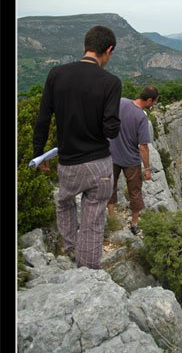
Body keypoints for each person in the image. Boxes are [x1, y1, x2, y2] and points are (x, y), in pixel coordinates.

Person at [32, 25, 122, 269]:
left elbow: (43, 118)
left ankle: (71, 248)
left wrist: (39, 153)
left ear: (85, 46)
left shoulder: (56, 74)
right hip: (99, 165)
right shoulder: (111, 82)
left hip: (68, 163)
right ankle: (89, 269)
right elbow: (110, 130)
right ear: (108, 50)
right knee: (93, 220)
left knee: (64, 202)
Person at [107, 86, 160, 234]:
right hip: (131, 160)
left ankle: (111, 217)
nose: (154, 104)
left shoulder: (121, 102)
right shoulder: (141, 117)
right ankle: (134, 224)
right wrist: (147, 168)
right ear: (149, 100)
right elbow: (143, 146)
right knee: (135, 192)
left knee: (110, 186)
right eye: (154, 102)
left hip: (112, 155)